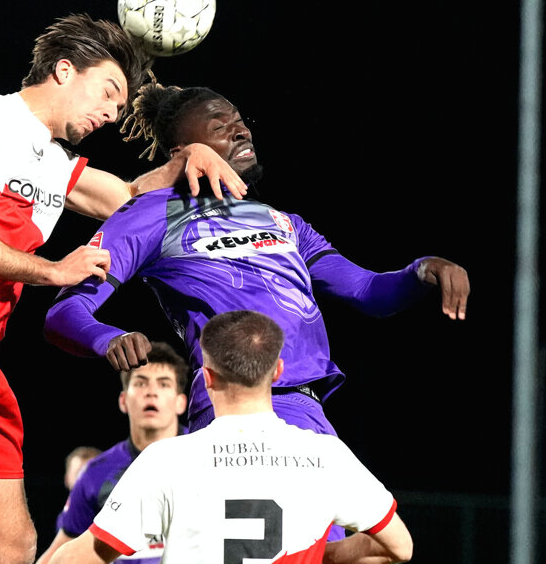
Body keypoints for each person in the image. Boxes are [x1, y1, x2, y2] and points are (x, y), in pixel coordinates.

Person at [0, 15, 247, 564]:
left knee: (13, 547)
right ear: (64, 70)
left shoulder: (51, 159)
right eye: (108, 93)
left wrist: (189, 157)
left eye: (118, 108)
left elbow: (130, 197)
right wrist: (55, 271)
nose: (110, 115)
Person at [43, 80, 470, 438]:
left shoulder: (286, 223)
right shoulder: (153, 213)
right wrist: (108, 338)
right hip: (231, 409)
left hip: (308, 413)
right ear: (184, 150)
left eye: (240, 123)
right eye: (220, 127)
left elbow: (367, 292)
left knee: (356, 540)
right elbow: (66, 310)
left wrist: (421, 271)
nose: (241, 131)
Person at [49, 310, 413, 564]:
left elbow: (83, 556)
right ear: (278, 372)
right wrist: (323, 556)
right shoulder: (327, 455)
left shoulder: (167, 461)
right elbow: (399, 547)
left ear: (205, 378)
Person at [36, 342, 189, 564]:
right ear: (123, 400)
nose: (151, 392)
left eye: (164, 384)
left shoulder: (206, 458)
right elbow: (61, 553)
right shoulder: (96, 473)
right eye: (141, 383)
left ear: (180, 402)